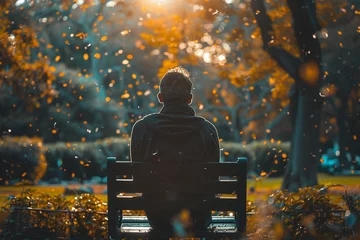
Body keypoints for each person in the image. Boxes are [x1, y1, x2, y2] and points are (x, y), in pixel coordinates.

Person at [130, 67, 220, 235]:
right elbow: (214, 180)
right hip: (197, 217)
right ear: (189, 99)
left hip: (158, 216)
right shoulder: (207, 130)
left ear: (160, 98)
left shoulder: (141, 128)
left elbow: (137, 178)